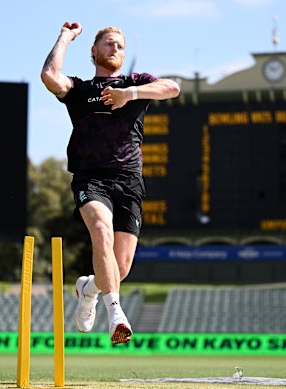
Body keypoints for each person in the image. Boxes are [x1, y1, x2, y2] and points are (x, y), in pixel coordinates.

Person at [41, 21, 180, 344]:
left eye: (119, 45)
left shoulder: (136, 83)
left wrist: (127, 95)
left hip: (129, 181)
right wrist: (65, 37)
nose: (115, 48)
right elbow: (49, 77)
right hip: (91, 178)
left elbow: (172, 88)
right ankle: (116, 314)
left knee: (121, 268)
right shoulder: (80, 90)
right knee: (100, 230)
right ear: (94, 51)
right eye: (108, 43)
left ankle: (88, 290)